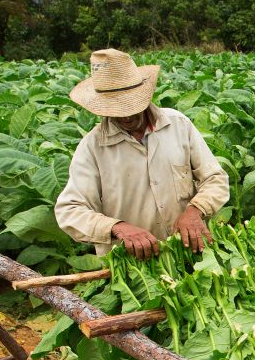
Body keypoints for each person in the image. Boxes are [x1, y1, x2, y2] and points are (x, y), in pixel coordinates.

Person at [55, 49, 229, 259]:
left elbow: (215, 178)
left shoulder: (178, 125)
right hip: (132, 267)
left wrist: (195, 211)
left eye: (130, 105)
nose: (125, 115)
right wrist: (117, 227)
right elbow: (69, 211)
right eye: (115, 108)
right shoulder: (92, 147)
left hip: (189, 253)